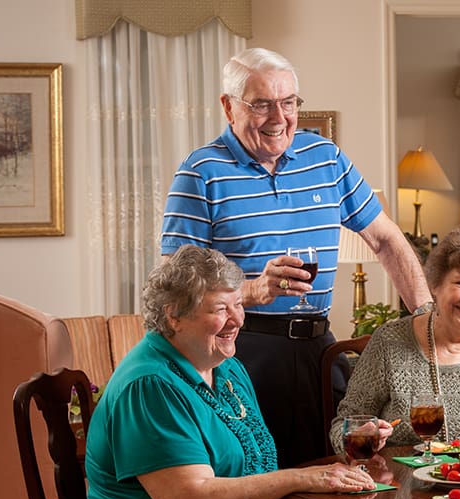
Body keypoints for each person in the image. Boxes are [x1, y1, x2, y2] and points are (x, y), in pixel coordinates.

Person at [160, 47, 430, 468]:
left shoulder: (327, 157)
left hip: (320, 351)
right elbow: (172, 289)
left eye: (288, 103)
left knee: (343, 470)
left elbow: (387, 240)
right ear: (229, 107)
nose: (279, 117)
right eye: (262, 103)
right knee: (259, 479)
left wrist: (427, 317)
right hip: (243, 351)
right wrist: (251, 290)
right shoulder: (200, 172)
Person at [68, 245, 376, 499]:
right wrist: (304, 477)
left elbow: (261, 473)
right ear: (174, 316)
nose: (237, 320)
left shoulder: (226, 367)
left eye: (238, 305)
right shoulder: (150, 386)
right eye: (220, 309)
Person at [330, 223, 460, 454]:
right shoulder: (389, 342)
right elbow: (341, 428)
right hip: (402, 485)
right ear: (436, 285)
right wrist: (361, 437)